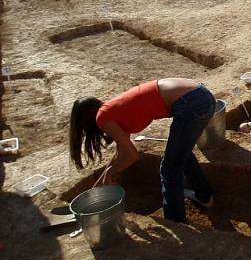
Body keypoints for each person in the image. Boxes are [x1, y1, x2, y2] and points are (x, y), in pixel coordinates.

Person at [68, 78, 216, 223]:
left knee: (169, 168)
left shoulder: (103, 116)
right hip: (200, 94)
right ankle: (204, 197)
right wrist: (99, 186)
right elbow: (122, 152)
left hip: (191, 102)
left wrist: (110, 173)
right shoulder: (114, 110)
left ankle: (175, 223)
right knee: (181, 153)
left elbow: (132, 155)